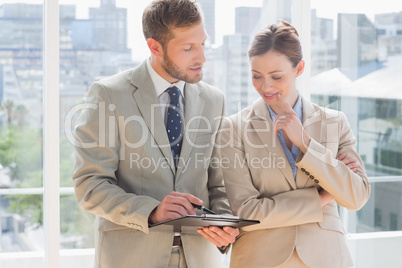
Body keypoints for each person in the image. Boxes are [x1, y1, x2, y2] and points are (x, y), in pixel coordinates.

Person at [72, 0, 238, 267]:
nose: (202, 57)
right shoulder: (108, 94)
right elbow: (89, 185)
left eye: (203, 44)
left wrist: (223, 222)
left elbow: (219, 184)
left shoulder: (214, 99)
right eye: (188, 48)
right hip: (132, 257)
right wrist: (151, 211)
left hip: (200, 257)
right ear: (155, 47)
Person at [217, 21, 371, 268]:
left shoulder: (334, 122)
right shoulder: (233, 128)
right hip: (259, 258)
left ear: (299, 68)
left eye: (276, 76)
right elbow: (246, 211)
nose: (265, 86)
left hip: (327, 257)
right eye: (256, 76)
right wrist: (322, 197)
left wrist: (306, 143)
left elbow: (356, 196)